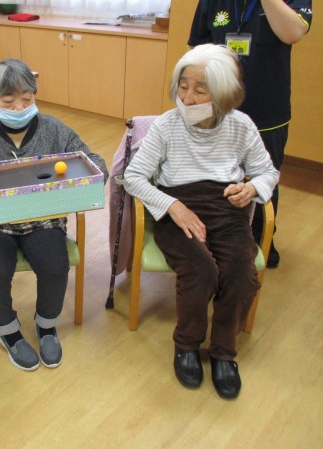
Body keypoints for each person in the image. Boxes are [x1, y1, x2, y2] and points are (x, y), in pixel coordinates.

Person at [123, 44, 279, 399]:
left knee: (240, 274)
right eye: (183, 86)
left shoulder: (241, 126)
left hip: (226, 210)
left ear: (223, 94)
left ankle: (223, 351)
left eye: (199, 90)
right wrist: (173, 206)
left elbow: (268, 172)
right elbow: (133, 177)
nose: (187, 98)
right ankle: (187, 345)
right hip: (178, 209)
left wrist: (252, 188)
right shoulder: (167, 125)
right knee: (201, 270)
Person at [0, 58, 108, 371]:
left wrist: (87, 178)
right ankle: (9, 332)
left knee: (55, 264)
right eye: (8, 101)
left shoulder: (54, 129)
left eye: (27, 99)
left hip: (41, 218)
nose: (19, 107)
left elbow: (94, 160)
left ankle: (46, 325)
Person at [188, 0, 313, 268]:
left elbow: (293, 33)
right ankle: (217, 238)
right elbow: (197, 50)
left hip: (267, 111)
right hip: (218, 108)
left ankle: (260, 242)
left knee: (262, 178)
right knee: (213, 175)